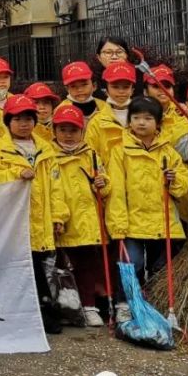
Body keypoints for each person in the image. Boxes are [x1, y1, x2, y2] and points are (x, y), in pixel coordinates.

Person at [0, 95, 61, 333]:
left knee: (41, 265)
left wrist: (59, 216)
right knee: (22, 266)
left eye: (28, 118)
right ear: (8, 122)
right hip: (16, 221)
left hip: (42, 219)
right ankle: (37, 313)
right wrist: (16, 175)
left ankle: (43, 312)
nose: (23, 124)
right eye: (18, 119)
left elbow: (56, 186)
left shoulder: (46, 149)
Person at [104, 97, 188, 286]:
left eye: (148, 118)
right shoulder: (120, 152)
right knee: (132, 264)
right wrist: (118, 225)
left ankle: (156, 305)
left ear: (158, 123)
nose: (141, 123)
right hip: (132, 224)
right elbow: (116, 191)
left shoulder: (168, 152)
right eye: (136, 117)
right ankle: (128, 303)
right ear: (129, 121)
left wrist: (173, 180)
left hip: (163, 223)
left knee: (161, 269)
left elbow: (182, 188)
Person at [49, 105, 112, 328]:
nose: (68, 135)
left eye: (73, 130)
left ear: (82, 131)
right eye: (63, 129)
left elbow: (104, 186)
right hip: (62, 222)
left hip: (87, 222)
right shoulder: (48, 156)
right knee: (62, 269)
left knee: (87, 267)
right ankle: (67, 308)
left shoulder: (91, 155)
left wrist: (102, 184)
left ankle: (89, 306)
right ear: (54, 130)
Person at [86, 60, 135, 166]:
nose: (121, 91)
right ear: (106, 90)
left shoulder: (143, 117)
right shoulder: (96, 122)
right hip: (109, 180)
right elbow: (90, 156)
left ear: (132, 90)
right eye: (115, 87)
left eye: (126, 87)